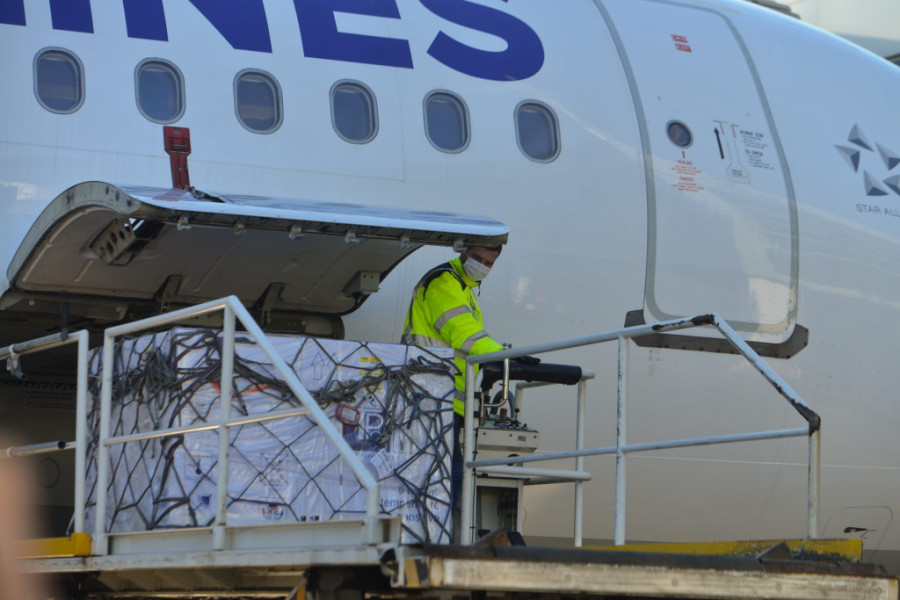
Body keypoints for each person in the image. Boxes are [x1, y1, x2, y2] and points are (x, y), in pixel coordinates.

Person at [401, 244, 506, 524]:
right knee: (447, 475)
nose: (482, 266)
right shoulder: (444, 283)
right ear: (464, 251)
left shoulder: (464, 288)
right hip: (430, 396)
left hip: (443, 399)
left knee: (445, 474)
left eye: (489, 263)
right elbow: (464, 334)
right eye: (477, 258)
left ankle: (433, 533)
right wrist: (505, 357)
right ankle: (431, 536)